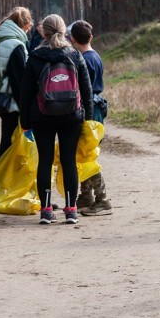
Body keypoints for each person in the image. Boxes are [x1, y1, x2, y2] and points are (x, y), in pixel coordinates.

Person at [20, 14, 93, 225]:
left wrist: (25, 121)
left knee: (45, 161)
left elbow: (26, 93)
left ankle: (46, 210)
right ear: (64, 31)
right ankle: (71, 210)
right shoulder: (74, 55)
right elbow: (86, 90)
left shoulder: (35, 57)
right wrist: (87, 119)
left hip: (42, 116)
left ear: (44, 31)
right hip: (72, 116)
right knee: (69, 161)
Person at [69, 20, 113, 216]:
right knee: (84, 154)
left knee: (87, 156)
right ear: (91, 37)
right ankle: (86, 196)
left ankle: (102, 199)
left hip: (89, 110)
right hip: (96, 109)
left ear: (72, 40)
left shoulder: (83, 60)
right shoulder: (95, 56)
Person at [0, 7, 33, 162]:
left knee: (8, 142)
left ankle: (2, 180)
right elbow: (18, 80)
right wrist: (25, 107)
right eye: (29, 23)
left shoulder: (2, 39)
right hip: (11, 101)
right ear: (25, 25)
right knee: (8, 144)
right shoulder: (16, 44)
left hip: (1, 95)